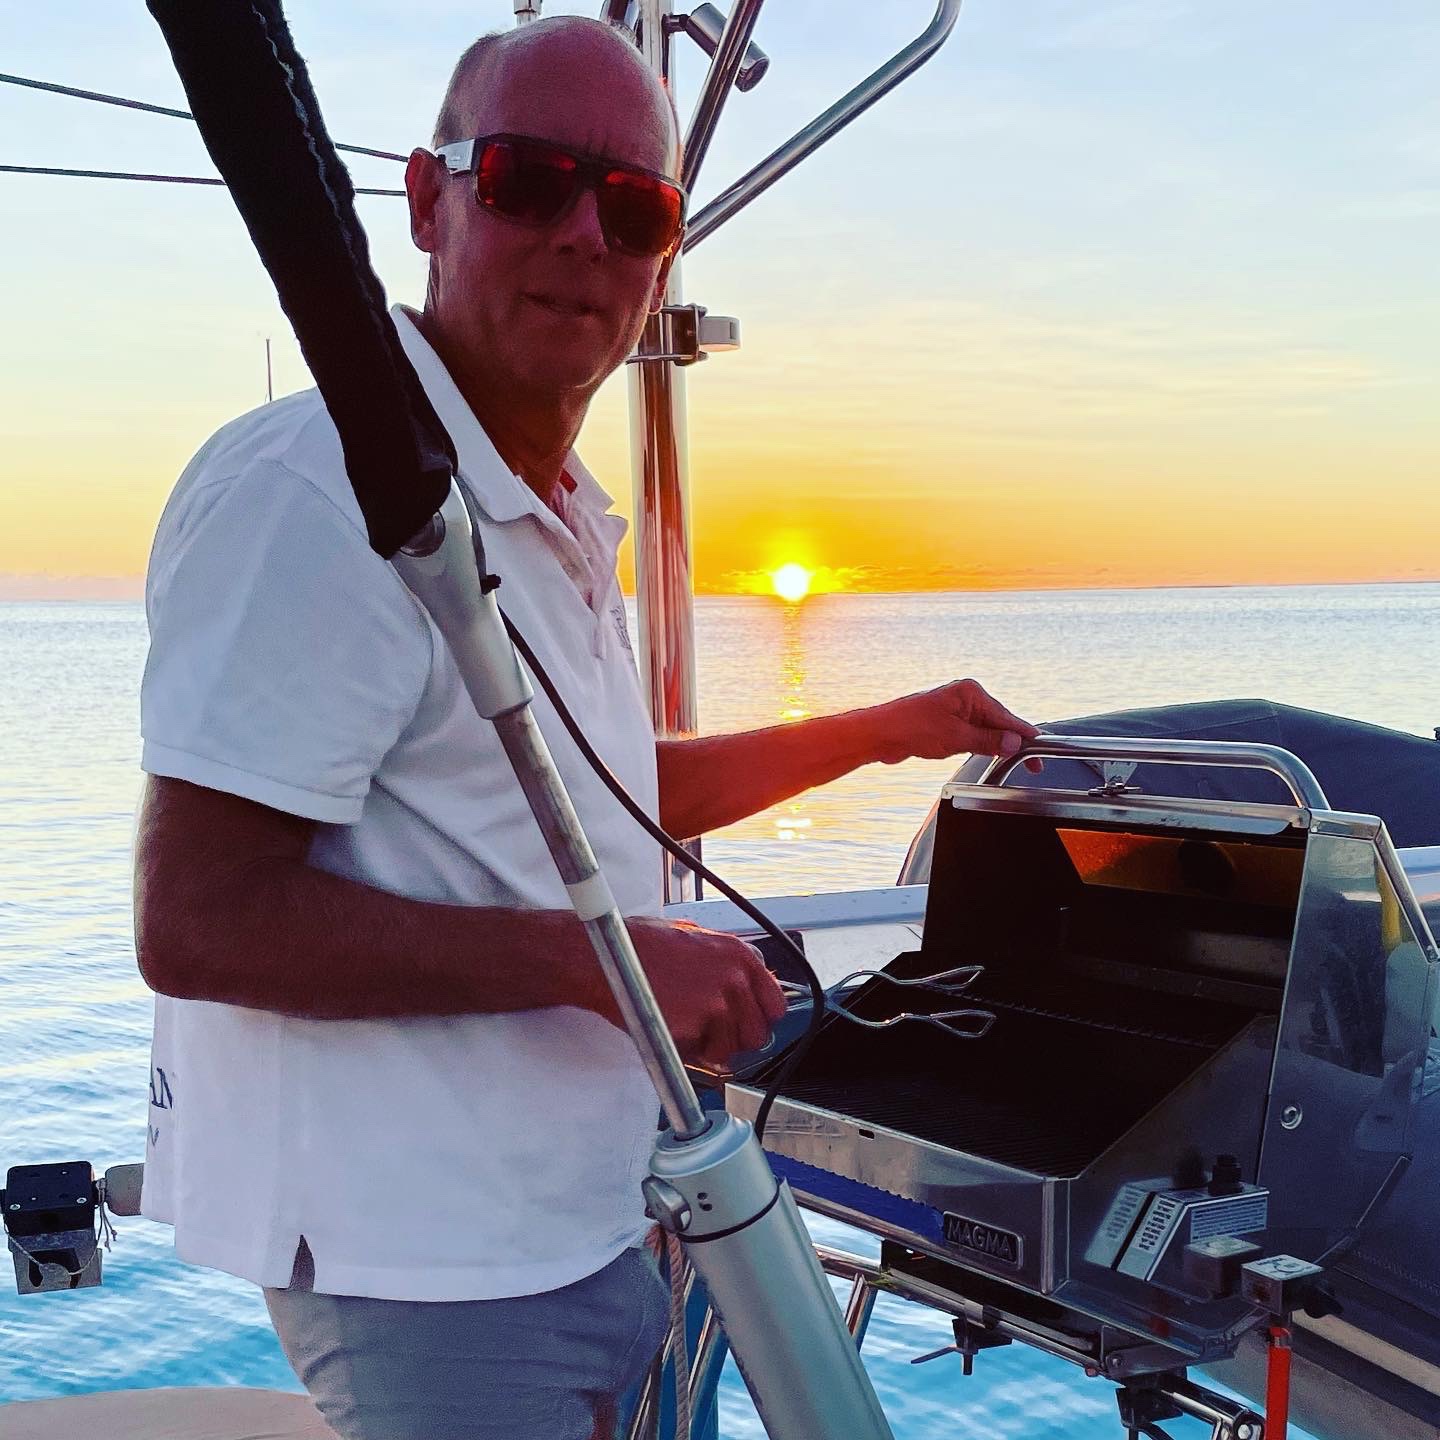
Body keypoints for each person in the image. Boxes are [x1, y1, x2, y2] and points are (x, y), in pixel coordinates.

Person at [133, 15, 1038, 1440]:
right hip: (436, 1266)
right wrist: (609, 968)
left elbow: (601, 795)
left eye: (634, 207)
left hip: (594, 1218)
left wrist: (882, 728)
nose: (582, 236)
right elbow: (198, 920)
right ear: (427, 200)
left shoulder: (550, 506)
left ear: (664, 254)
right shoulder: (316, 490)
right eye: (527, 180)